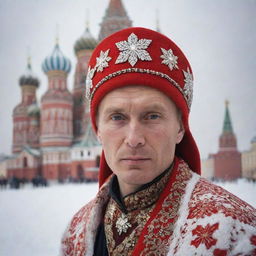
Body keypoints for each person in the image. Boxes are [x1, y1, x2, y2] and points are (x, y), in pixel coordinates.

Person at [61, 27, 256, 256]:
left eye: (152, 116)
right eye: (117, 117)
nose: (134, 139)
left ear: (180, 128)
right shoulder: (76, 233)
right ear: (98, 130)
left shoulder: (236, 232)